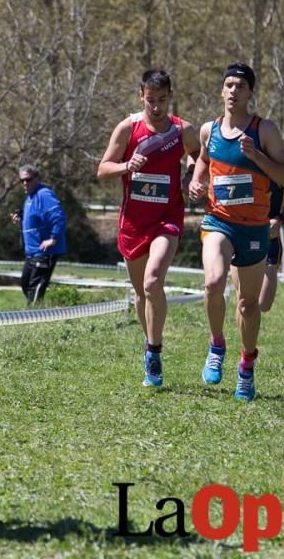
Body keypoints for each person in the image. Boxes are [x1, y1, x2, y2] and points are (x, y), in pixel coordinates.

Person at [188, 63, 284, 402]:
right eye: (229, 85)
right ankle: (216, 343)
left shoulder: (265, 131)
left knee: (249, 305)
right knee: (213, 282)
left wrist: (257, 157)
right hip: (218, 220)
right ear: (221, 91)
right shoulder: (209, 130)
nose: (233, 91)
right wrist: (196, 180)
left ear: (250, 93)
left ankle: (247, 365)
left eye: (240, 86)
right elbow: (204, 159)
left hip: (253, 226)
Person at [96, 69, 200, 387]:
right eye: (150, 100)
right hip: (133, 222)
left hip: (167, 216)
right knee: (141, 292)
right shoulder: (129, 128)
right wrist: (127, 166)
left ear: (170, 96)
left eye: (162, 100)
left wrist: (192, 174)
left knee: (154, 281)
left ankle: (154, 352)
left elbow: (200, 156)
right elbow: (102, 169)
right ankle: (149, 343)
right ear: (141, 95)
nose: (156, 107)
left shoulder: (182, 130)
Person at [232, 177, 284, 315]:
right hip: (242, 235)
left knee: (263, 304)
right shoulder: (242, 166)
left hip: (269, 238)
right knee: (243, 300)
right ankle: (244, 335)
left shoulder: (278, 169)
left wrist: (280, 219)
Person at [12, 165, 67, 306]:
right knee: (25, 284)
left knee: (35, 289)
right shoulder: (30, 197)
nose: (25, 183)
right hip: (31, 251)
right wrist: (21, 217)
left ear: (37, 178)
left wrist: (53, 239)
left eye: (28, 180)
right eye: (22, 180)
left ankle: (33, 319)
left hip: (44, 251)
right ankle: (35, 312)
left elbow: (59, 217)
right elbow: (37, 217)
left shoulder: (44, 194)